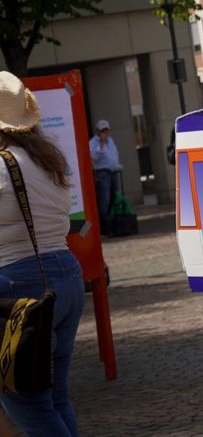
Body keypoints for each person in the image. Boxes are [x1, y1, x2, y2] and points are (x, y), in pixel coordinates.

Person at [0, 72, 86, 437]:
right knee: (55, 396)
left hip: (20, 283)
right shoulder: (48, 160)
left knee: (26, 401)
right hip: (66, 275)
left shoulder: (3, 165)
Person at [88, 118, 122, 237]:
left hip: (113, 173)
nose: (105, 133)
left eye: (106, 130)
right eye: (102, 131)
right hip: (102, 173)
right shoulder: (93, 143)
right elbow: (93, 158)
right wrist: (100, 145)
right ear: (98, 131)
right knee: (104, 201)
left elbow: (113, 155)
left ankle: (112, 225)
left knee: (114, 198)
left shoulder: (111, 141)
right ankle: (104, 228)